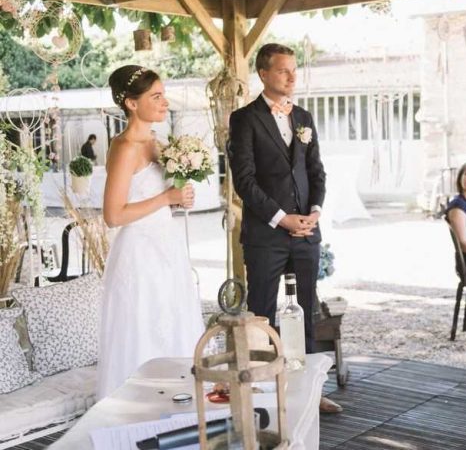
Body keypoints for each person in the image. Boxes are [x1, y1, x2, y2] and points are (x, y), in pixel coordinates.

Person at [228, 43, 341, 414]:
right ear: (263, 74)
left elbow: (316, 172)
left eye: (294, 70)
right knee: (262, 314)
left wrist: (314, 212)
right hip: (266, 236)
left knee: (306, 312)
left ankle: (309, 390)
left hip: (306, 233)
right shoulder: (244, 119)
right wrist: (281, 218)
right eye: (282, 71)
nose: (291, 77)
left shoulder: (304, 117)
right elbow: (244, 181)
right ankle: (263, 392)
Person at [97, 65, 204, 399]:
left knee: (174, 324)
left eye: (163, 94)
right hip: (139, 256)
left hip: (167, 250)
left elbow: (154, 198)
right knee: (143, 330)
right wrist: (165, 198)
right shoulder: (125, 146)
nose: (164, 102)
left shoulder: (157, 142)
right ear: (131, 103)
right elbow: (113, 215)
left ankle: (177, 407)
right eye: (155, 96)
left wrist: (178, 198)